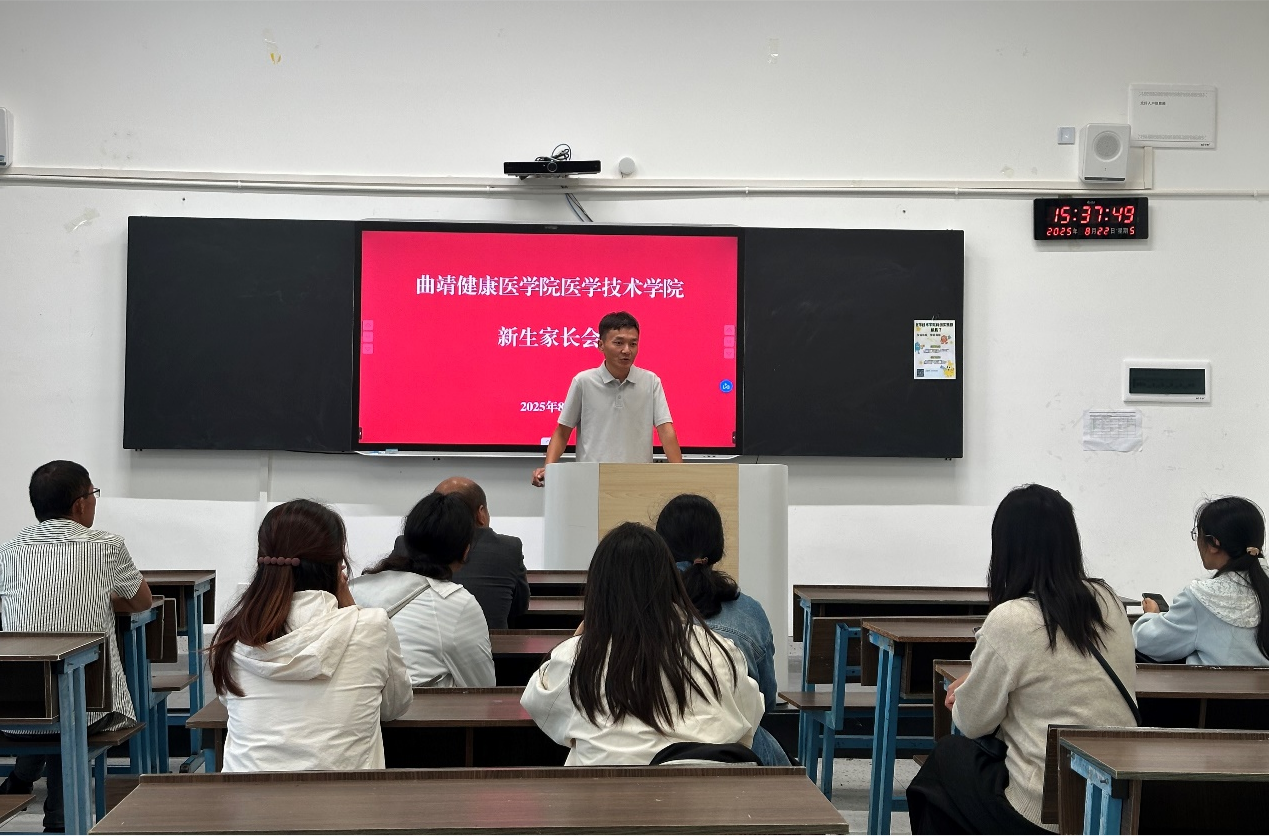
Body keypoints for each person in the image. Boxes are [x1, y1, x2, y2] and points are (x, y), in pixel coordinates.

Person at [907, 484, 1138, 836]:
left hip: (1045, 814)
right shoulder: (1108, 601)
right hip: (1115, 807)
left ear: (1006, 549)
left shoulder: (1010, 619)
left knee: (946, 761)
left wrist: (964, 694)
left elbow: (971, 723)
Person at [521, 521, 763, 765]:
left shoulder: (577, 659)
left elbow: (537, 702)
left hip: (607, 789)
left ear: (598, 590)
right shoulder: (718, 650)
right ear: (671, 582)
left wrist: (577, 641)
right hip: (707, 788)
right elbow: (750, 717)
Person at [0, 460, 152, 832]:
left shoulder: (7, 551)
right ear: (80, 504)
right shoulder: (106, 545)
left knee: (48, 698)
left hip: (13, 714)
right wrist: (101, 597)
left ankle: (21, 780)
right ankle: (60, 819)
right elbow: (142, 602)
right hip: (88, 710)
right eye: (93, 494)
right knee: (69, 702)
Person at [207, 499, 411, 772]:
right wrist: (351, 610)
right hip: (348, 798)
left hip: (248, 797)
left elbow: (229, 702)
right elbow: (394, 706)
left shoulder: (235, 635)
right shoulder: (371, 626)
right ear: (337, 567)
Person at [654, 493, 790, 766]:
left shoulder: (642, 608)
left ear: (660, 548)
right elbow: (767, 702)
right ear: (717, 548)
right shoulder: (750, 612)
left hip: (657, 752)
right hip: (738, 755)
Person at [351, 492, 495, 687]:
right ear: (465, 551)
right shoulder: (457, 603)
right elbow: (482, 687)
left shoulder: (357, 587)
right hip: (413, 706)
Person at [531, 311, 682, 487]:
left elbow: (666, 431)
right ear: (601, 345)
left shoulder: (650, 381)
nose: (627, 350)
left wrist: (682, 474)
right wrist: (548, 468)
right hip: (591, 480)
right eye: (618, 343)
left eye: (633, 344)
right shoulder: (584, 381)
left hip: (637, 481)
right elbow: (562, 432)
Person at [1134, 496, 1268, 666]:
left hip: (1212, 685)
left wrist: (1151, 616)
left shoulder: (1202, 598)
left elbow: (1149, 643)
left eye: (1198, 534)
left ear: (1214, 544)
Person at [434, 476, 530, 630]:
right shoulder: (509, 547)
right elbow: (519, 608)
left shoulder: (406, 545)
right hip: (493, 644)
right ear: (481, 513)